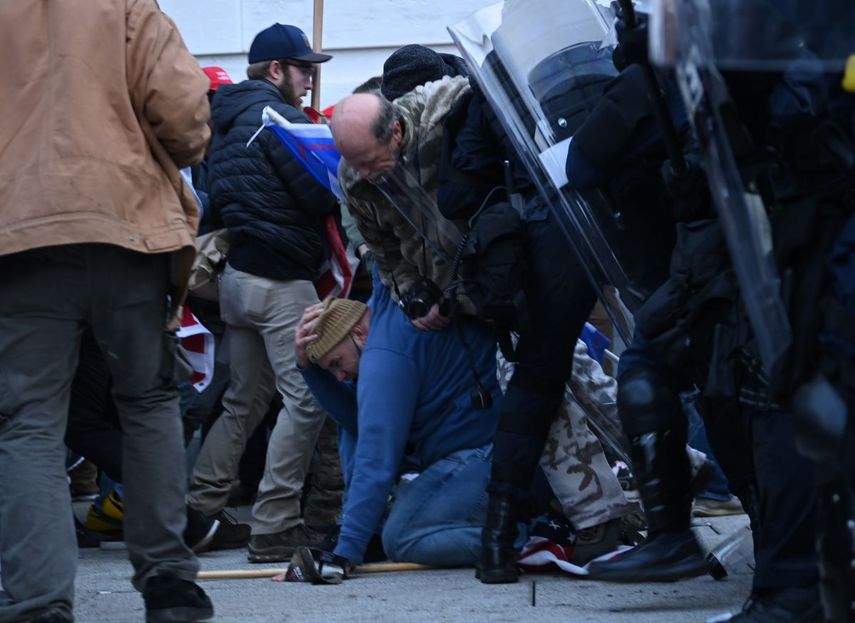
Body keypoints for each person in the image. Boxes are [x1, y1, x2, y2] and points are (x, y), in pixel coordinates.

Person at [0, 1, 214, 621]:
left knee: (28, 423)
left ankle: (39, 602)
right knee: (146, 403)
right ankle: (170, 581)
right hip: (127, 227)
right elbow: (183, 114)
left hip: (20, 240)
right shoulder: (123, 3)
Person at [187, 22, 341, 563]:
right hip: (280, 282)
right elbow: (323, 197)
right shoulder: (280, 120)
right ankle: (274, 524)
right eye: (304, 70)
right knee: (306, 400)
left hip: (238, 280)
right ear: (275, 70)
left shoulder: (224, 123)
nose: (309, 82)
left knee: (242, 401)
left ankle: (199, 508)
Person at [294, 275, 503, 567]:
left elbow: (376, 455)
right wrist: (309, 370)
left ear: (359, 333)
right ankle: (366, 534)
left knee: (402, 536)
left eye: (336, 364)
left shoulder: (385, 354)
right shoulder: (378, 322)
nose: (339, 377)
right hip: (466, 454)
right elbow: (356, 421)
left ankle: (521, 538)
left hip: (491, 457)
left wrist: (345, 553)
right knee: (354, 429)